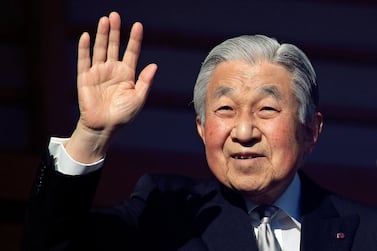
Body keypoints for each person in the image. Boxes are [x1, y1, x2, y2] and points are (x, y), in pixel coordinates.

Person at [22, 11, 377, 251]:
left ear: (311, 130)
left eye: (266, 109)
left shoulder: (365, 229)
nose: (243, 130)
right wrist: (92, 133)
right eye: (225, 109)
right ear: (202, 128)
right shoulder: (165, 209)